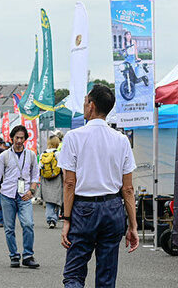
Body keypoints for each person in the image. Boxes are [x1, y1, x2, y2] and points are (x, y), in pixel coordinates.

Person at [58, 85, 139, 288]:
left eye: (85, 101)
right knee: (106, 276)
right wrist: (133, 225)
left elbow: (69, 183)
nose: (84, 105)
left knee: (74, 274)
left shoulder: (73, 137)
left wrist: (66, 219)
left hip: (83, 208)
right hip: (112, 208)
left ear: (91, 105)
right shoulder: (121, 140)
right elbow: (128, 189)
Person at [0, 125, 40, 269]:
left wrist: (32, 191)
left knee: (28, 224)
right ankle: (14, 255)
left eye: (21, 138)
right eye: (16, 137)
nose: (19, 140)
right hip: (7, 195)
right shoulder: (4, 156)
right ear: (12, 138)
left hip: (24, 196)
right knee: (9, 228)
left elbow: (35, 176)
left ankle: (28, 255)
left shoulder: (30, 155)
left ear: (25, 139)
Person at [39, 135, 63, 229]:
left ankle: (51, 219)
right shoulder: (58, 153)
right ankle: (53, 218)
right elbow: (62, 167)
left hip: (46, 179)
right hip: (56, 179)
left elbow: (40, 167)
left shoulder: (43, 154)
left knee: (49, 201)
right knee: (57, 200)